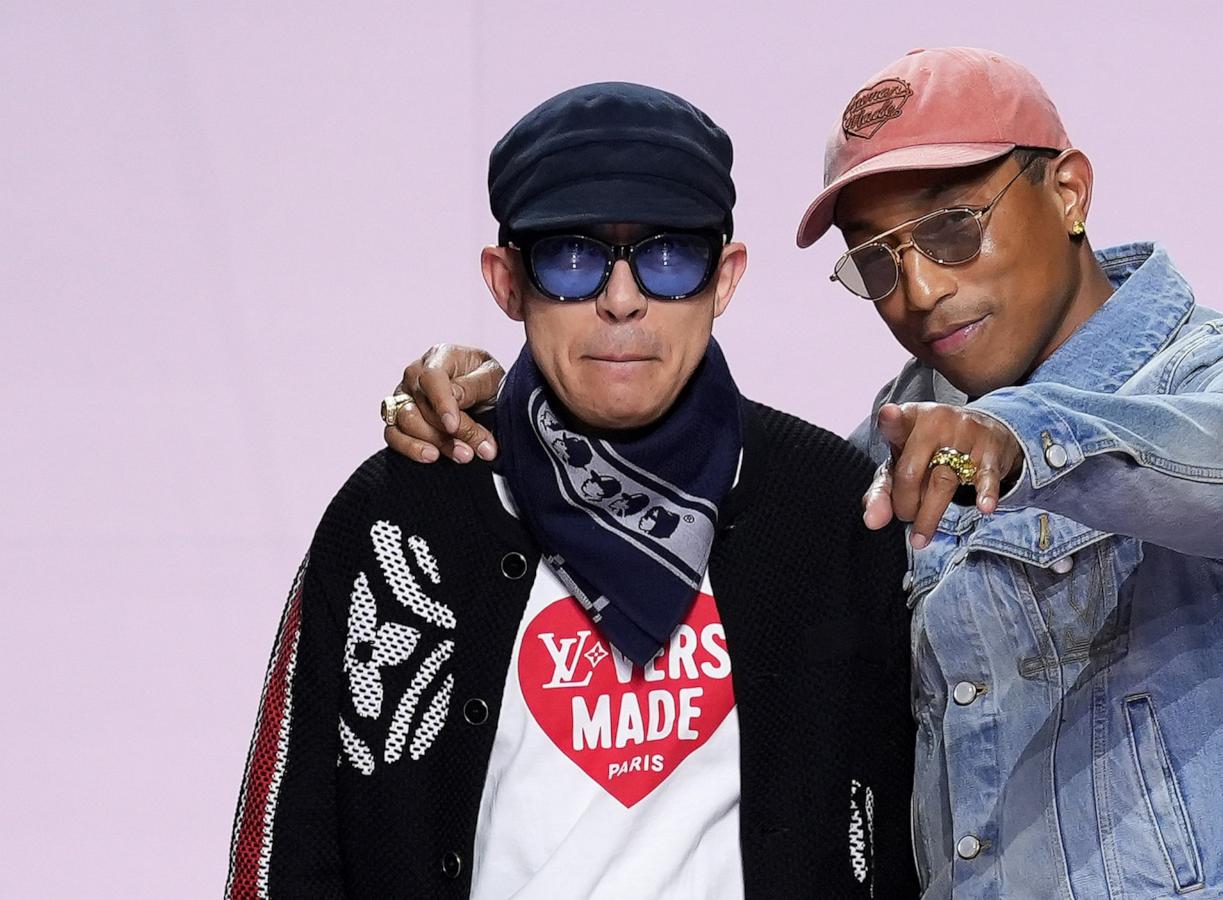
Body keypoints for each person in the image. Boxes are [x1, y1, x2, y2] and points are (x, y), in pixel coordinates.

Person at [390, 48, 1223, 900]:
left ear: (1068, 190)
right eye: (878, 263)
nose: (920, 290)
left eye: (949, 231)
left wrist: (1020, 442)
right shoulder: (880, 459)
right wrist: (505, 410)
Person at [226, 82, 917, 900]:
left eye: (668, 256)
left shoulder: (825, 508)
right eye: (572, 256)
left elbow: (905, 824)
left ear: (725, 279)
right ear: (505, 280)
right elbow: (285, 843)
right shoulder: (403, 513)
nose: (621, 300)